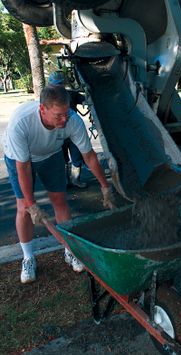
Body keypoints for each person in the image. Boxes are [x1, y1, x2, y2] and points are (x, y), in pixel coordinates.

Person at [3, 85, 115, 284]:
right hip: (19, 159)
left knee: (60, 201)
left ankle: (69, 251)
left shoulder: (72, 120)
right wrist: (32, 204)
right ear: (42, 110)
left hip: (52, 154)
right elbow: (24, 167)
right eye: (58, 115)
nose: (64, 119)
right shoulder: (21, 124)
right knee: (23, 208)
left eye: (66, 113)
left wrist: (105, 186)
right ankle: (28, 258)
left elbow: (89, 157)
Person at [48, 70, 88, 188]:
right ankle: (65, 181)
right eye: (55, 85)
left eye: (59, 84)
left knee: (77, 157)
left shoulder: (72, 94)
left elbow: (86, 99)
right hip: (57, 133)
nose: (57, 87)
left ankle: (75, 179)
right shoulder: (47, 97)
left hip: (73, 133)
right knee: (61, 158)